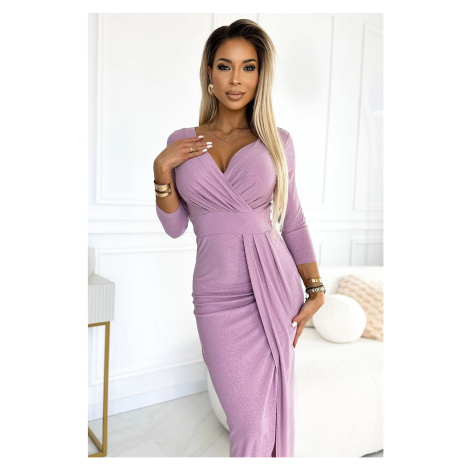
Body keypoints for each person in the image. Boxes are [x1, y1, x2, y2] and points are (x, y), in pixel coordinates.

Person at [153, 19, 325, 458]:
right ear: (209, 72)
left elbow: (292, 220)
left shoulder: (277, 141)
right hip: (215, 298)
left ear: (260, 75)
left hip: (272, 290)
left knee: (260, 423)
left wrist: (316, 287)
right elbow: (175, 227)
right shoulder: (181, 142)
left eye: (248, 67)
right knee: (246, 420)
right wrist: (161, 170)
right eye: (225, 66)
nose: (236, 79)